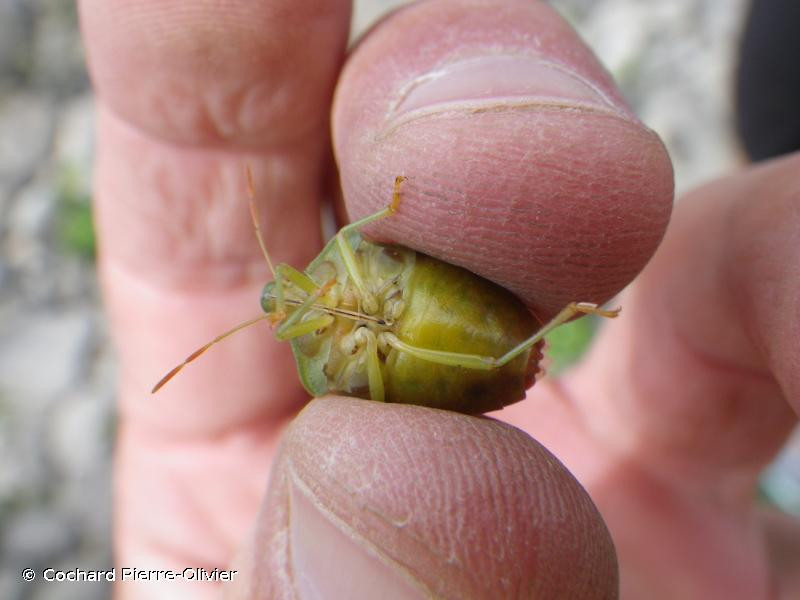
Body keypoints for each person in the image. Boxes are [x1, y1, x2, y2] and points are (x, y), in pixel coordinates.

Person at [78, 0, 799, 597]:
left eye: (286, 289)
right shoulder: (314, 371)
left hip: (425, 310)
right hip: (438, 358)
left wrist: (389, 213)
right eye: (284, 315)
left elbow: (361, 237)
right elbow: (359, 395)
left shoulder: (341, 258)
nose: (291, 305)